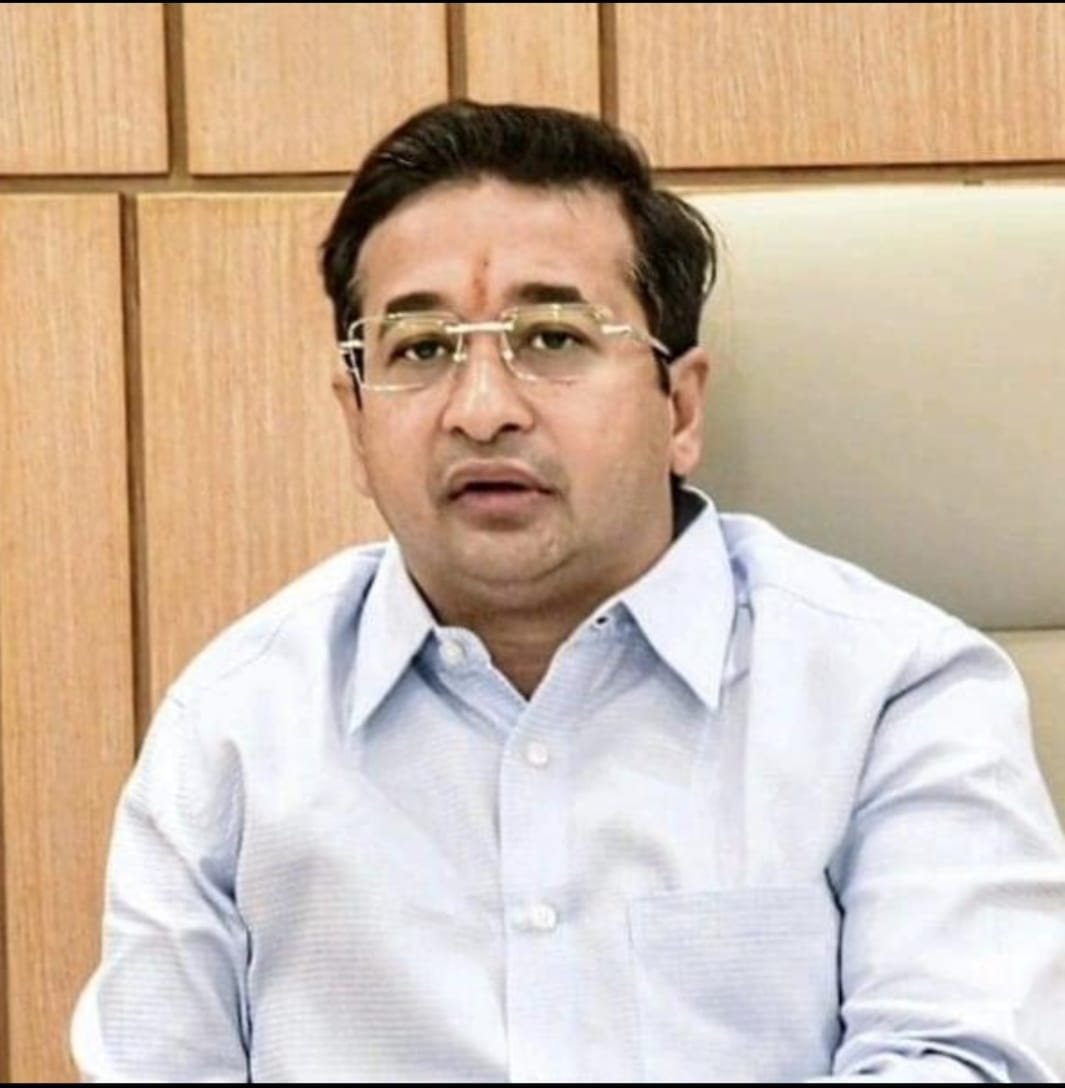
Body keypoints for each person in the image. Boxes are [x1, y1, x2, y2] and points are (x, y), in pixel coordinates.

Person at [72, 100, 1065, 1083]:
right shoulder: (237, 728)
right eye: (421, 349)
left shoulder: (893, 693)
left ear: (680, 407)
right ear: (356, 419)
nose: (482, 410)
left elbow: (965, 1062)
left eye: (551, 337)